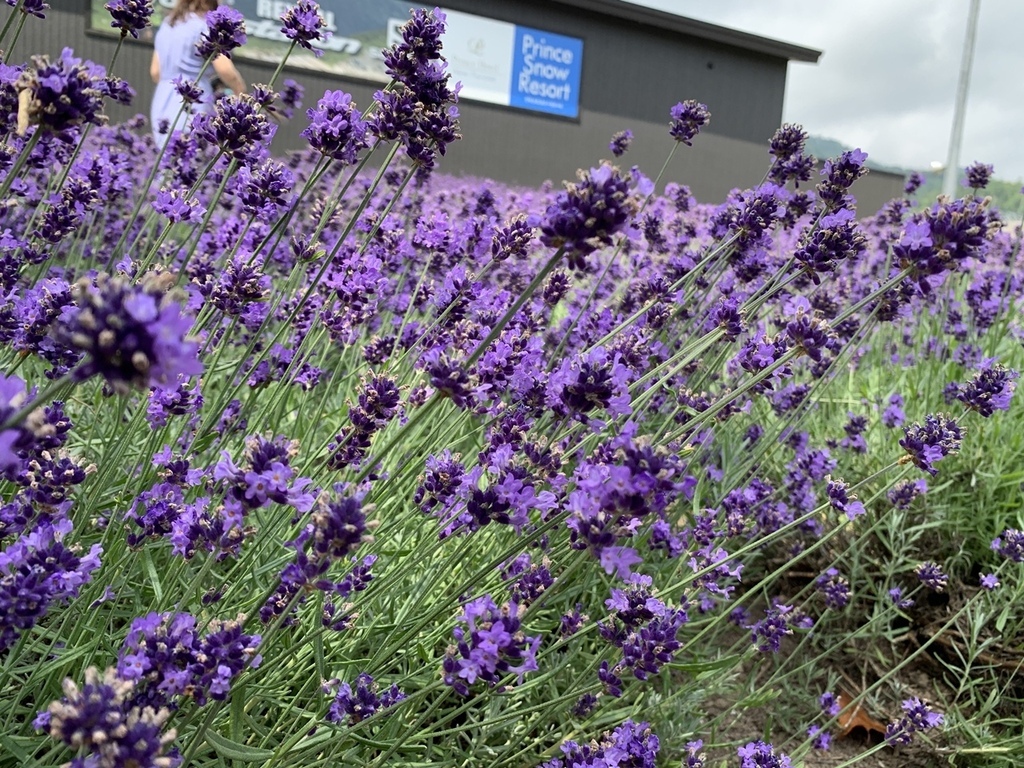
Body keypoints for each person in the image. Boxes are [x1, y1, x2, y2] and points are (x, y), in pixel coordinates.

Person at [149, 0, 246, 147]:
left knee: (166, 154)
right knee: (188, 151)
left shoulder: (168, 23)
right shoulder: (205, 24)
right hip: (194, 92)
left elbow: (155, 72)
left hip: (163, 95)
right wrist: (241, 92)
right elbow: (225, 69)